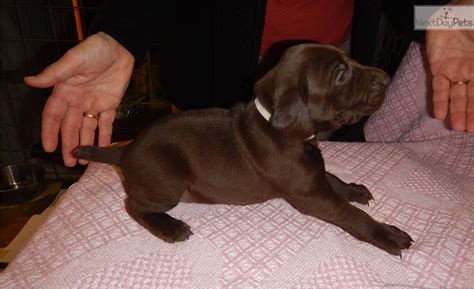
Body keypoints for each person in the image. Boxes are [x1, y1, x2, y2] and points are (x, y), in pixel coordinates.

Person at [24, 1, 474, 167]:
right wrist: (121, 34)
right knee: (216, 185)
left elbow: (404, 4)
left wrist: (453, 16)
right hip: (217, 88)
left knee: (319, 183)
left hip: (327, 85)